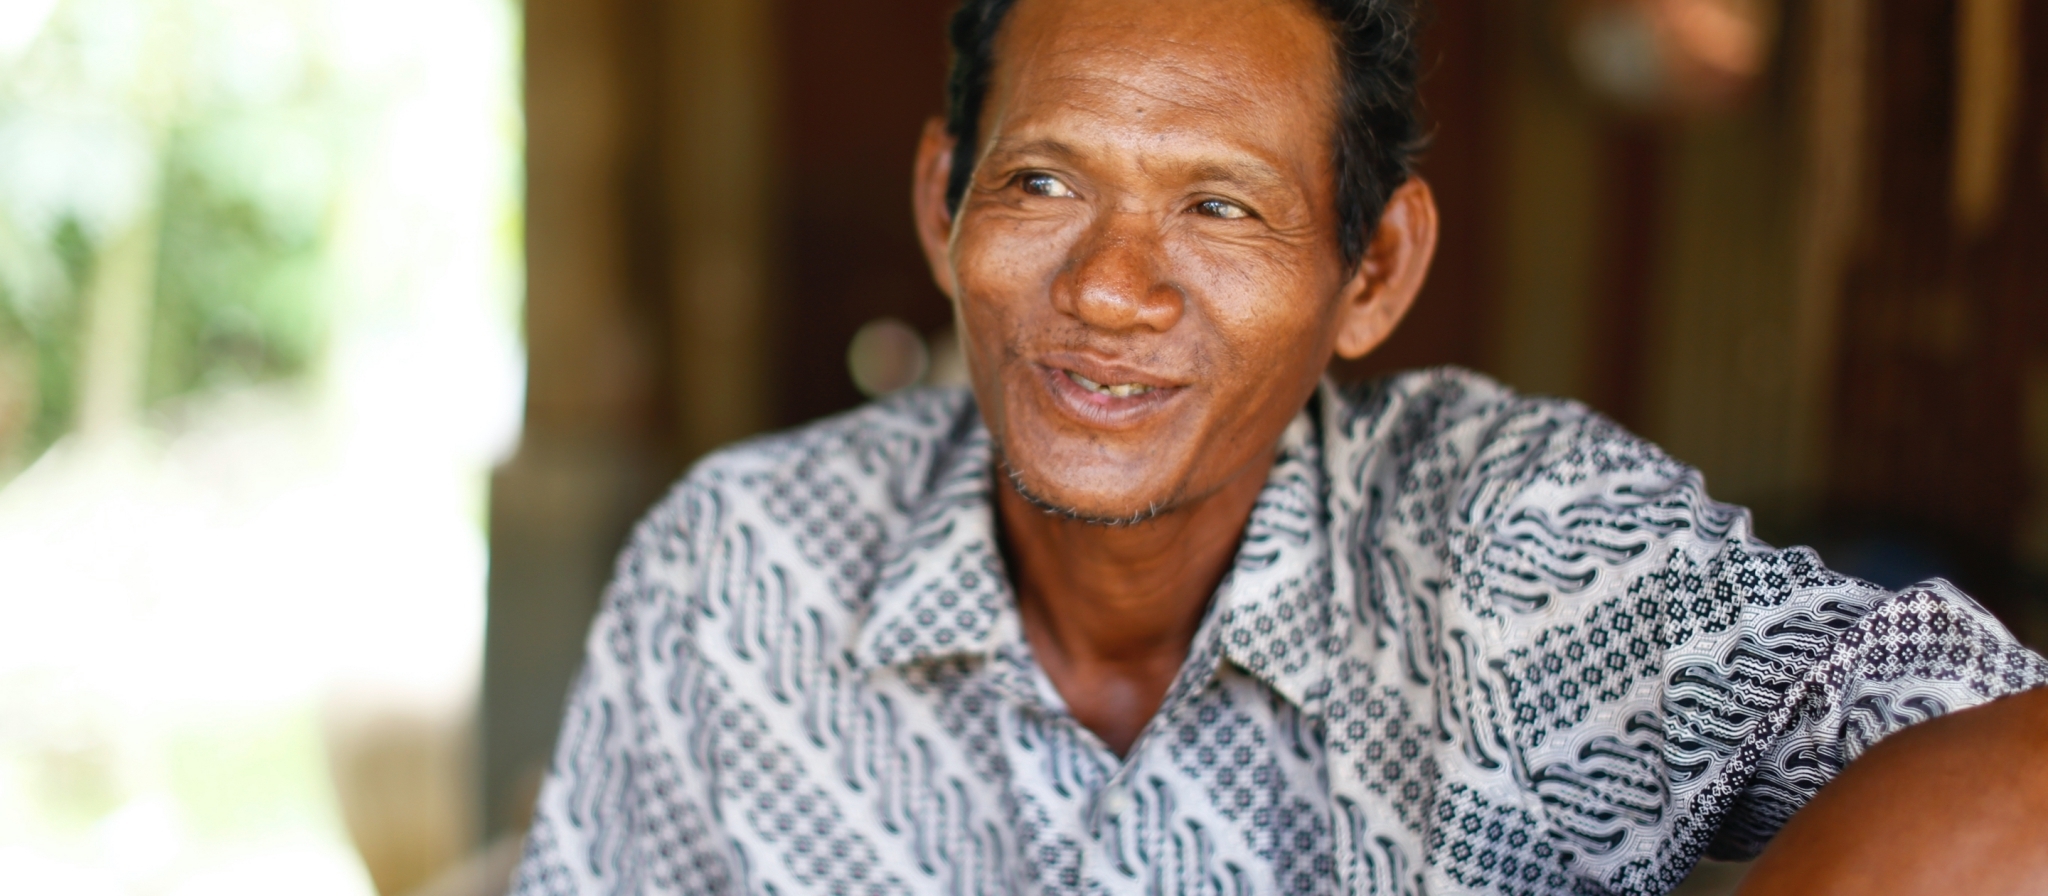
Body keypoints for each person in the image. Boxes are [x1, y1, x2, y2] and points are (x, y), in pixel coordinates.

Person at [510, 0, 2048, 892]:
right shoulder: (740, 572)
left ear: (1372, 272)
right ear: (942, 206)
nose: (1109, 289)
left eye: (1220, 205)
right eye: (1042, 184)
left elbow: (2021, 781)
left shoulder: (1528, 559)